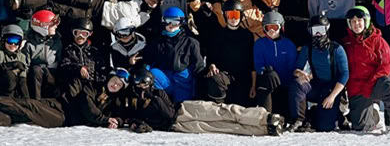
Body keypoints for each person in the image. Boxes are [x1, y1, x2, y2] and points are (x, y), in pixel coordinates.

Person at [113, 67, 286, 136]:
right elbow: (128, 117)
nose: (142, 87)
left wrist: (152, 99)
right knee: (224, 127)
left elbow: (169, 110)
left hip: (185, 110)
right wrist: (135, 122)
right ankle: (265, 129)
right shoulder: (131, 101)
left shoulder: (157, 93)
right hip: (177, 126)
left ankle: (266, 118)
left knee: (223, 111)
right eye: (139, 83)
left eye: (146, 83)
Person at [0, 68, 130, 128]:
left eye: (119, 85)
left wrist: (119, 121)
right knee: (30, 106)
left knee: (29, 114)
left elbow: (124, 116)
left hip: (66, 118)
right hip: (61, 105)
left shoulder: (115, 102)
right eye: (114, 81)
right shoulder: (93, 86)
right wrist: (104, 119)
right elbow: (87, 105)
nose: (115, 85)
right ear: (110, 78)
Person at [341, 6, 390, 133]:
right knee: (361, 128)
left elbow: (386, 66)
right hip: (357, 89)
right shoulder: (346, 43)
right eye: (353, 21)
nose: (356, 24)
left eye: (359, 20)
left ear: (366, 21)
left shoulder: (377, 41)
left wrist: (370, 84)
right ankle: (373, 115)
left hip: (375, 83)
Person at [289, 15, 349, 132]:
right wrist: (300, 73)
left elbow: (344, 74)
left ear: (326, 29)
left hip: (331, 89)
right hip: (316, 86)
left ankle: (338, 115)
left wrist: (332, 96)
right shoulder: (307, 48)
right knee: (297, 83)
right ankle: (300, 119)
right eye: (314, 30)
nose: (318, 34)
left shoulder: (337, 48)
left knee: (324, 127)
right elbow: (296, 69)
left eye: (321, 30)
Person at [199, 0, 256, 106]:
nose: (233, 18)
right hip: (225, 76)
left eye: (236, 15)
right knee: (214, 79)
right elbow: (212, 56)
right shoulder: (218, 34)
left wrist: (253, 85)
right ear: (225, 16)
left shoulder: (247, 35)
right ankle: (218, 108)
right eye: (230, 15)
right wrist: (211, 65)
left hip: (243, 78)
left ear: (241, 16)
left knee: (241, 105)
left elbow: (251, 62)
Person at [145, 7, 205, 103]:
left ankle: (178, 102)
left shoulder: (190, 42)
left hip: (182, 80)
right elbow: (148, 60)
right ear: (163, 21)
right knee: (153, 72)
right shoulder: (158, 42)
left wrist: (199, 86)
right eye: (168, 21)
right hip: (165, 78)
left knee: (181, 106)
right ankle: (163, 102)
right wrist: (145, 70)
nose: (171, 25)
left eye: (175, 22)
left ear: (181, 23)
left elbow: (199, 65)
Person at [252, 11, 297, 116]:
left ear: (281, 27)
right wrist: (268, 71)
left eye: (275, 27)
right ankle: (266, 115)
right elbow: (258, 65)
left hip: (285, 84)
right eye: (268, 28)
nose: (272, 31)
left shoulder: (289, 44)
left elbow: (293, 66)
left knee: (284, 112)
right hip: (268, 84)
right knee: (267, 78)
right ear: (264, 28)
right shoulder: (259, 44)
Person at [59, 18, 110, 97]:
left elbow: (101, 70)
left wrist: (100, 85)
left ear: (90, 34)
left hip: (91, 85)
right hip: (74, 85)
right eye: (77, 33)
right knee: (74, 83)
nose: (80, 37)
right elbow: (64, 66)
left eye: (84, 34)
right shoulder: (68, 50)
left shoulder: (94, 51)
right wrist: (78, 68)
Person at [24, 9, 63, 99]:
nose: (56, 27)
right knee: (36, 70)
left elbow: (60, 61)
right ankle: (36, 102)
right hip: (35, 77)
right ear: (43, 27)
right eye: (53, 25)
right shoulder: (30, 44)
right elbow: (25, 65)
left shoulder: (57, 41)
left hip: (51, 76)